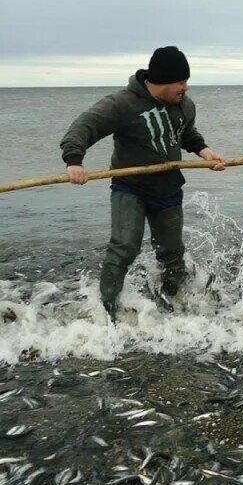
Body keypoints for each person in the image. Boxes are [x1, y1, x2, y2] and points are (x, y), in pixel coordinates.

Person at [60, 46, 225, 320]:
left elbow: (186, 133)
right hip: (130, 188)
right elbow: (84, 126)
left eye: (186, 81)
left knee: (172, 253)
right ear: (161, 80)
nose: (185, 88)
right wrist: (74, 161)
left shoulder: (185, 105)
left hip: (169, 188)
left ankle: (175, 303)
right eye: (180, 82)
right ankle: (107, 309)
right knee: (125, 247)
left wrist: (205, 152)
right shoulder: (122, 104)